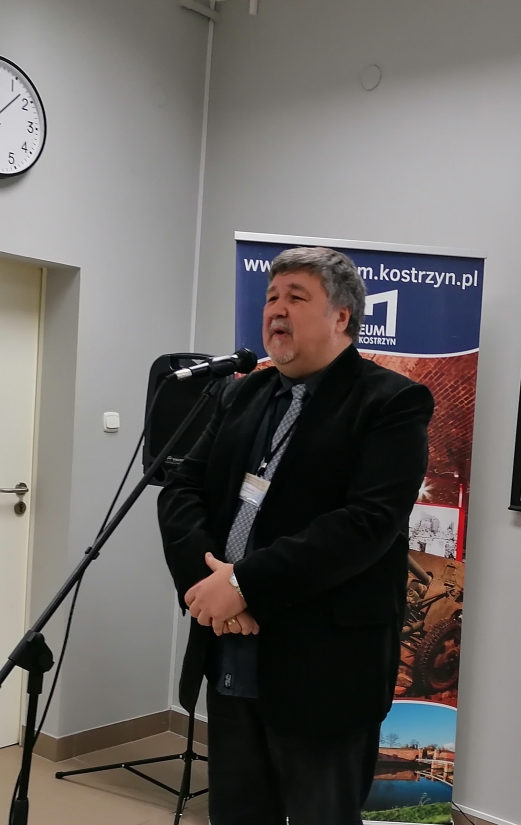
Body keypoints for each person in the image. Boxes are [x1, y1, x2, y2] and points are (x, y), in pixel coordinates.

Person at [157, 246, 433, 825]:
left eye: (296, 297)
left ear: (341, 317)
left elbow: (366, 523)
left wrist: (244, 586)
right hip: (229, 648)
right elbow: (182, 486)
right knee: (237, 813)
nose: (276, 310)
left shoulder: (391, 401)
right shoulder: (239, 392)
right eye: (271, 298)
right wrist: (208, 588)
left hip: (323, 668)